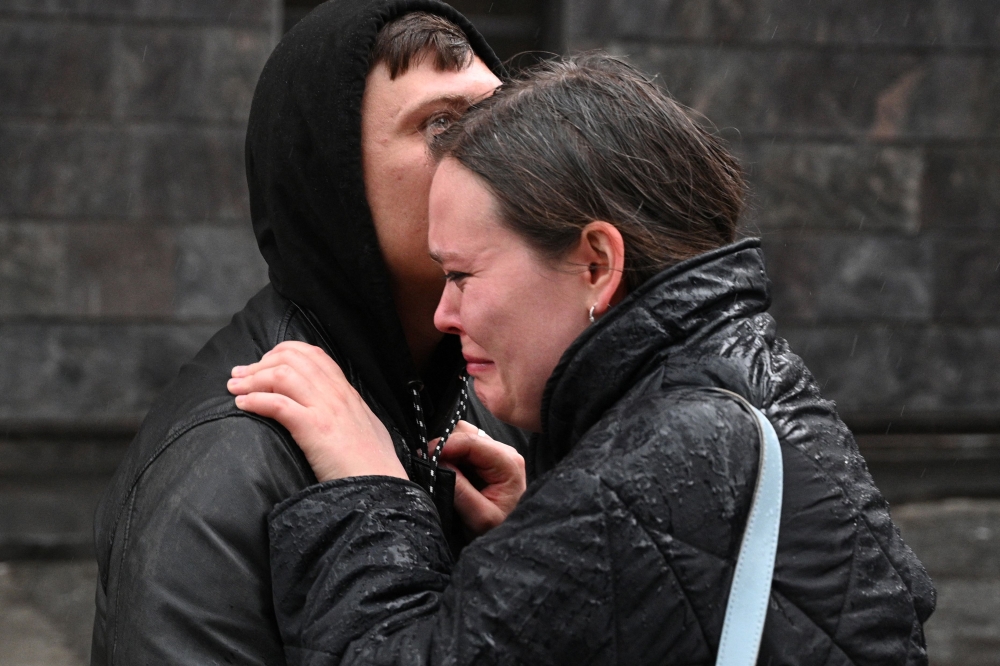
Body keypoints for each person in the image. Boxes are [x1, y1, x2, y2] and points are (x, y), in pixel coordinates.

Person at [229, 54, 936, 665]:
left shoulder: (663, 462)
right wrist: (543, 530)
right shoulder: (736, 388)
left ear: (596, 262)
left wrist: (369, 487)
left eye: (464, 276)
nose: (446, 315)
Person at [90, 2, 526, 663]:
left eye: (502, 116)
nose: (501, 152)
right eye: (441, 125)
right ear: (332, 179)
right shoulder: (224, 466)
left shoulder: (485, 413)